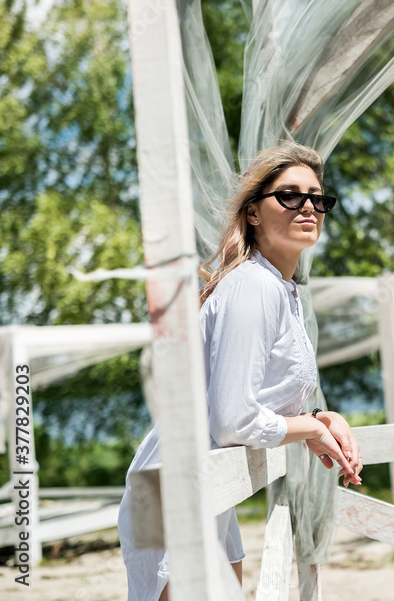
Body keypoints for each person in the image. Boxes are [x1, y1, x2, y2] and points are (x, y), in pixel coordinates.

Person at [117, 142, 363, 601]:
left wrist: (321, 417)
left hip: (207, 482)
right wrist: (311, 429)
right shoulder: (254, 286)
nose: (308, 206)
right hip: (174, 487)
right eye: (289, 195)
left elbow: (256, 400)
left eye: (318, 198)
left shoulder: (279, 288)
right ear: (252, 213)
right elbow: (233, 420)